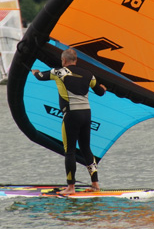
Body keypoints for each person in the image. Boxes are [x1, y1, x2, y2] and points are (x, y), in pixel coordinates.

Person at [32, 48, 108, 195]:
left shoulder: (59, 72)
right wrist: (103, 89)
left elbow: (40, 76)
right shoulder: (88, 74)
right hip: (86, 114)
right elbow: (99, 92)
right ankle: (95, 184)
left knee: (70, 151)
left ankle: (71, 187)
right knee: (86, 148)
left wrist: (33, 71)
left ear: (64, 61)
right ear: (76, 60)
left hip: (72, 115)